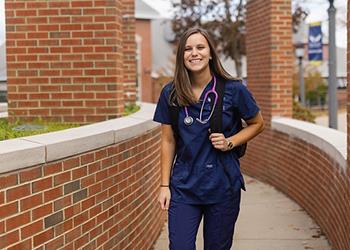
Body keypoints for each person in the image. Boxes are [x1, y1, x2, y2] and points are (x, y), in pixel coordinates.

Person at [153, 27, 265, 250]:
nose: (194, 53)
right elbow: (168, 140)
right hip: (184, 187)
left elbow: (258, 123)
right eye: (187, 49)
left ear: (211, 53)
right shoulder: (170, 93)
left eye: (200, 47)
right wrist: (164, 185)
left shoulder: (234, 90)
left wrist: (230, 141)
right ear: (181, 56)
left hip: (222, 186)